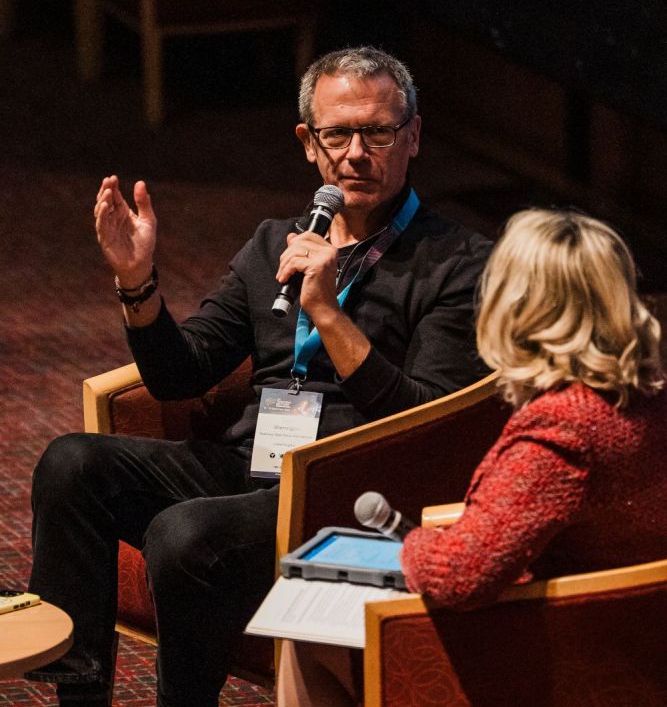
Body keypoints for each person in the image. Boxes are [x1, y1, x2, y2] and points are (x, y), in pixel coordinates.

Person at [26, 46, 491, 707]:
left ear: (412, 136)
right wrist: (138, 284)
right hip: (254, 465)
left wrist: (327, 313)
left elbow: (424, 421)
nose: (356, 154)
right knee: (71, 462)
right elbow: (180, 375)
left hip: (352, 486)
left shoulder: (458, 262)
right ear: (308, 143)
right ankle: (79, 698)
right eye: (337, 135)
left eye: (378, 133)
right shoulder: (276, 243)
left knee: (184, 533)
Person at [277, 207, 667, 707]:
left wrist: (414, 545)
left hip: (567, 649)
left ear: (518, 306)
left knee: (305, 628)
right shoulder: (646, 396)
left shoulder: (563, 427)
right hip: (632, 634)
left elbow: (458, 578)